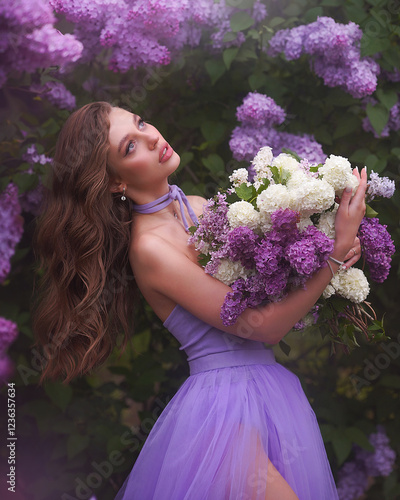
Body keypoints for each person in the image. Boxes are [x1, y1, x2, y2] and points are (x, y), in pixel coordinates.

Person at [34, 101, 367, 500]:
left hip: (271, 392)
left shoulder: (201, 207)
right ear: (114, 183)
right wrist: (331, 260)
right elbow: (261, 325)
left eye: (141, 122)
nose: (152, 136)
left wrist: (322, 242)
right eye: (130, 146)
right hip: (222, 414)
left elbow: (276, 290)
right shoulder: (149, 248)